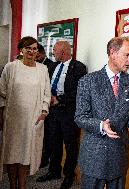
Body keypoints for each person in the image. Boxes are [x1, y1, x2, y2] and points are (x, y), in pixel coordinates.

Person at [75, 37, 129, 189]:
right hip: (94, 155)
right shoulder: (88, 81)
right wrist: (101, 125)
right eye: (126, 55)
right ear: (112, 53)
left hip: (119, 153)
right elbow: (80, 117)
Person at [0, 36, 51, 189]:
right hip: (13, 118)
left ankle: (22, 185)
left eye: (34, 48)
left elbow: (47, 94)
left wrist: (44, 112)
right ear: (21, 49)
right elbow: (1, 92)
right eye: (28, 48)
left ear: (38, 52)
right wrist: (1, 114)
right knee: (11, 154)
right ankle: (12, 185)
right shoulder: (11, 67)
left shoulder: (43, 69)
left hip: (33, 119)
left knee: (25, 154)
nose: (31, 51)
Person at [36, 41, 87, 189]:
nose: (53, 53)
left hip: (68, 113)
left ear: (64, 51)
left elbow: (79, 91)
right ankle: (54, 171)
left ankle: (69, 175)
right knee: (54, 142)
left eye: (55, 50)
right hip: (53, 112)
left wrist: (59, 99)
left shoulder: (78, 67)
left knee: (70, 145)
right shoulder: (53, 66)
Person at [36, 43, 54, 168]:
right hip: (35, 103)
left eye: (37, 55)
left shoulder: (50, 66)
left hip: (47, 105)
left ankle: (44, 158)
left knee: (46, 136)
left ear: (41, 53)